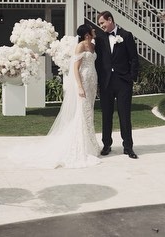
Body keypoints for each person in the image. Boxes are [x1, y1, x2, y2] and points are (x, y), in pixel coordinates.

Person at [9, 24, 101, 169]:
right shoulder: (80, 46)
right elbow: (75, 68)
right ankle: (81, 146)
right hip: (83, 80)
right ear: (87, 34)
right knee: (83, 112)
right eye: (92, 29)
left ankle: (91, 144)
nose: (94, 30)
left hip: (92, 81)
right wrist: (79, 86)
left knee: (89, 111)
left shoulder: (93, 45)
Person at [95, 11, 139, 159]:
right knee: (106, 115)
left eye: (102, 23)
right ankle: (106, 145)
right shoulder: (99, 38)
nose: (101, 26)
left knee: (125, 115)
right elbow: (98, 61)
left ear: (110, 20)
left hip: (123, 82)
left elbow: (134, 58)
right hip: (106, 82)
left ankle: (128, 147)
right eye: (100, 24)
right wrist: (98, 80)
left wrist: (131, 78)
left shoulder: (126, 35)